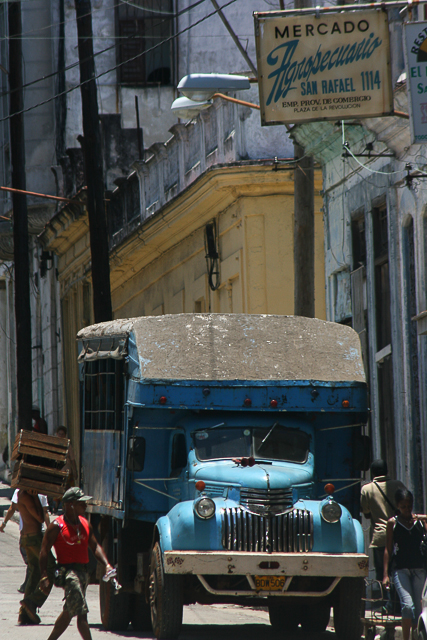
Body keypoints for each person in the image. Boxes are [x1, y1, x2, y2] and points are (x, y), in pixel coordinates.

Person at [39, 487, 114, 640]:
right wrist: (44, 575)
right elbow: (44, 550)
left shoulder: (85, 524)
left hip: (83, 574)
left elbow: (95, 547)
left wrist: (106, 564)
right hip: (68, 574)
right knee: (81, 612)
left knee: (73, 612)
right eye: (81, 503)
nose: (85, 506)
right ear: (71, 504)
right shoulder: (56, 526)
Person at [383, 488, 427, 640]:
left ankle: (416, 636)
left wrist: (421, 519)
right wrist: (385, 574)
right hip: (400, 569)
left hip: (419, 569)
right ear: (397, 506)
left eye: (409, 506)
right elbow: (388, 549)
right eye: (403, 507)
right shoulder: (393, 524)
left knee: (420, 608)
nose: (407, 510)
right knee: (407, 606)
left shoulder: (420, 523)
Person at [361, 459, 406, 583]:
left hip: (381, 537)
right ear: (387, 471)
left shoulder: (367, 489)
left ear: (373, 473)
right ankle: (398, 599)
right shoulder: (398, 485)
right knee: (400, 571)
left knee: (382, 573)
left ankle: (386, 600)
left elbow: (366, 513)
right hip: (399, 535)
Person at [16, 489, 56, 625]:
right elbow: (39, 517)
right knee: (51, 567)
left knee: (34, 573)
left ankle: (24, 613)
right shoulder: (26, 495)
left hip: (28, 538)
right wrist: (35, 496)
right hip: (34, 538)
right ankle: (33, 601)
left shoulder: (22, 494)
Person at [0, 488, 50, 593]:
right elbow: (42, 516)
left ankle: (28, 595)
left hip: (28, 535)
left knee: (33, 565)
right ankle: (31, 598)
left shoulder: (20, 492)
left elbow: (12, 508)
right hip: (33, 536)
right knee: (43, 565)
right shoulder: (26, 494)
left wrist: (3, 524)